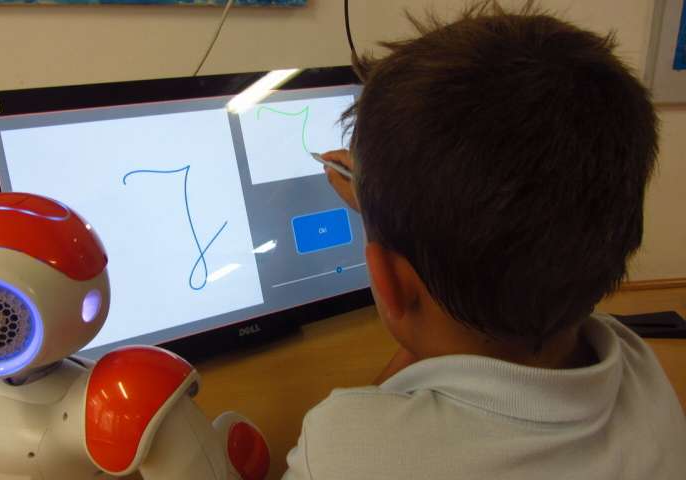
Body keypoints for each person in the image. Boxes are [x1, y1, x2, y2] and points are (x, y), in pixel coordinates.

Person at [282, 2, 686, 479]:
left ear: (388, 281)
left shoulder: (339, 451)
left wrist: (389, 224)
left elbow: (380, 411)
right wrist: (400, 226)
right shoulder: (643, 372)